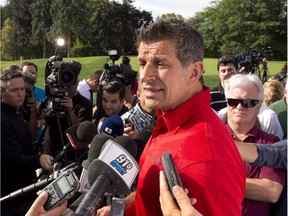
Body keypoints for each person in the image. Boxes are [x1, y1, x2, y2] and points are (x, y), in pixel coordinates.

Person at [97, 17, 245, 216]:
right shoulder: (168, 117)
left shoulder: (208, 159)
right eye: (142, 63)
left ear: (193, 72)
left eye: (160, 64)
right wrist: (124, 210)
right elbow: (150, 198)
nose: (145, 75)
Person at [223, 73, 285, 216]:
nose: (239, 107)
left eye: (248, 103)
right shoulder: (209, 137)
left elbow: (271, 191)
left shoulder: (271, 143)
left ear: (259, 107)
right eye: (233, 101)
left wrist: (218, 181)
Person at [1, 69, 54, 215]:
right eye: (14, 90)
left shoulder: (16, 110)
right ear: (2, 91)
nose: (20, 94)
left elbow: (26, 139)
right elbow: (14, 159)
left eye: (23, 89)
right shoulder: (3, 119)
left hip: (24, 185)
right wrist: (39, 159)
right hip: (11, 194)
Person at [41, 66, 93, 161]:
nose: (67, 86)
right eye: (64, 81)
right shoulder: (52, 98)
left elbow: (82, 132)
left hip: (70, 153)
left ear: (77, 82)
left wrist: (70, 111)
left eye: (71, 82)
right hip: (48, 151)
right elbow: (42, 120)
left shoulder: (84, 104)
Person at [21, 62, 47, 144]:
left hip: (38, 140)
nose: (30, 75)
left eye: (33, 73)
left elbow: (47, 115)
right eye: (27, 72)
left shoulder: (42, 93)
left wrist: (42, 120)